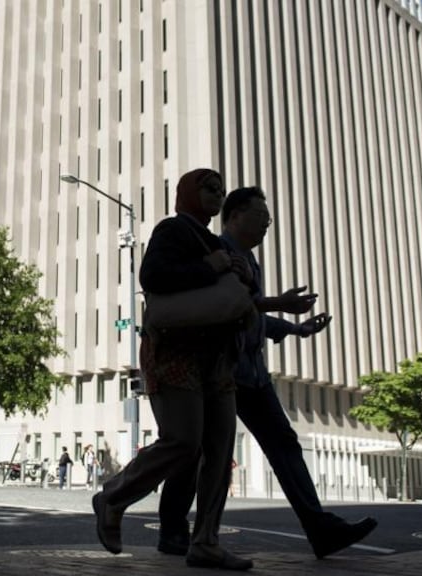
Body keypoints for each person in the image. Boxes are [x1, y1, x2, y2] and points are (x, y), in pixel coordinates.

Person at [154, 185, 377, 559]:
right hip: (218, 371)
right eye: (261, 216)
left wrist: (296, 328)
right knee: (198, 453)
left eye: (269, 219)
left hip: (252, 375)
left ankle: (319, 528)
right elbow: (224, 307)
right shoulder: (217, 250)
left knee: (283, 444)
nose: (266, 225)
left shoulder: (250, 262)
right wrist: (282, 305)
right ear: (235, 215)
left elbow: (250, 316)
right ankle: (174, 530)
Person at [91, 168, 253, 571]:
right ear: (187, 193)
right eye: (208, 188)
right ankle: (113, 496)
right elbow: (153, 277)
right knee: (184, 440)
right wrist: (212, 266)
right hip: (176, 353)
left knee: (218, 450)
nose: (217, 195)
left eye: (221, 189)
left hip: (216, 358)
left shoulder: (214, 242)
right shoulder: (173, 230)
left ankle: (206, 541)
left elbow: (226, 298)